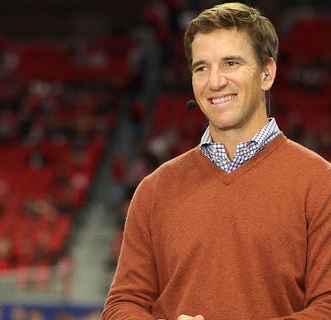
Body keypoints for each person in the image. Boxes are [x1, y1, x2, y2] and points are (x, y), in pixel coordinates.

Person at [102, 3, 331, 320]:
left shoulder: (319, 183)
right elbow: (121, 306)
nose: (215, 81)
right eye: (201, 68)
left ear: (267, 73)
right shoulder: (154, 190)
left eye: (231, 63)